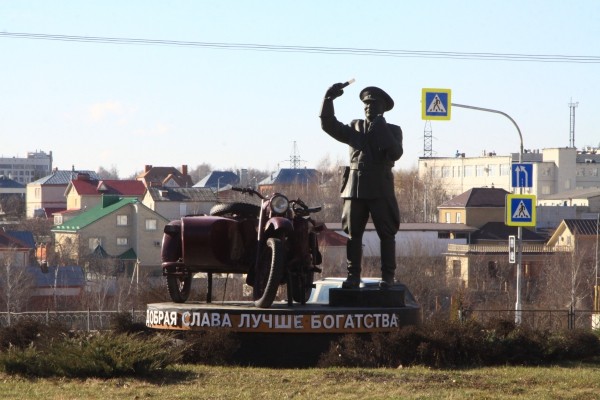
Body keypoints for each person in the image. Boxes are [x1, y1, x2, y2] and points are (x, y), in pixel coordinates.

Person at [320, 83, 403, 289]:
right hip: (355, 187)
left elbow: (395, 153)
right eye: (366, 104)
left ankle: (388, 277)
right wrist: (328, 100)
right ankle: (353, 276)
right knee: (353, 234)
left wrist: (380, 127)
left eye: (373, 104)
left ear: (383, 108)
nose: (368, 107)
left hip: (380, 187)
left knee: (386, 233)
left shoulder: (392, 130)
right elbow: (329, 125)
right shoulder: (355, 127)